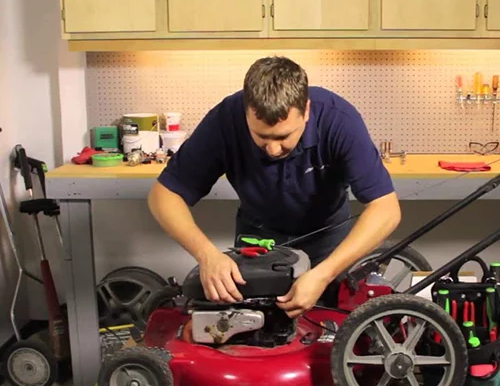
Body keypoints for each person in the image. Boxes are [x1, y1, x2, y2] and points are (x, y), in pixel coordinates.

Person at [147, 56, 401, 318]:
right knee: (252, 335)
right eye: (262, 137)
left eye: (283, 137)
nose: (273, 149)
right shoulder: (224, 120)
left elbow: (386, 209)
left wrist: (325, 274)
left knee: (329, 336)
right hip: (256, 245)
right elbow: (164, 195)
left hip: (328, 244)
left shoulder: (339, 120)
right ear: (246, 113)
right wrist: (207, 255)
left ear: (307, 110)